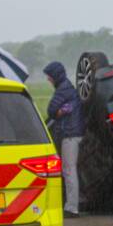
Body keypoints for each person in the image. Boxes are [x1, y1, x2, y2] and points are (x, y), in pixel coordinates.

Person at [43, 62, 85, 217]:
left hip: (70, 135)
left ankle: (71, 208)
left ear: (56, 75)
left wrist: (59, 111)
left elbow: (51, 110)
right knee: (73, 170)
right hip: (76, 132)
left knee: (68, 170)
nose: (48, 79)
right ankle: (76, 201)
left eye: (49, 76)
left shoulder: (62, 90)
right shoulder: (69, 87)